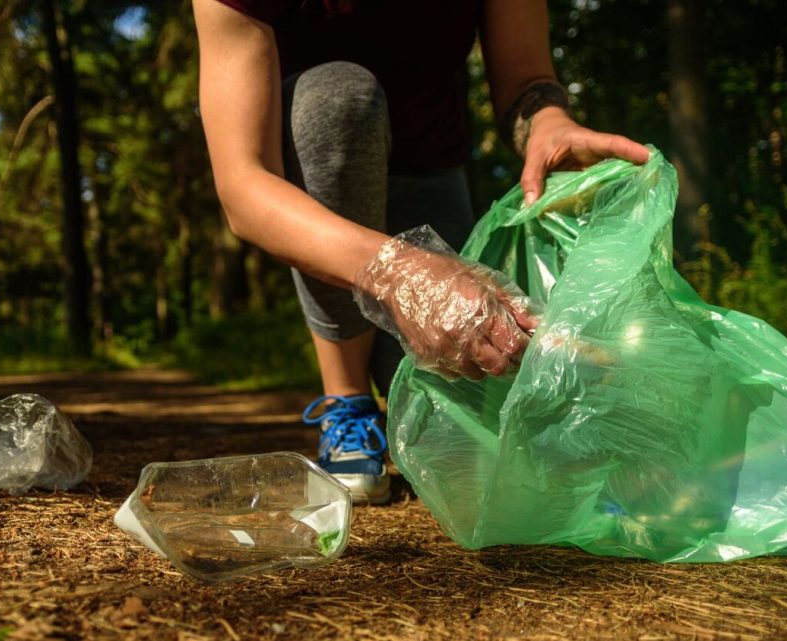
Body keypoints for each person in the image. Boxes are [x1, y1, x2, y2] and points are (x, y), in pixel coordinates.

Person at [192, 0, 649, 504]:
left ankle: (400, 394)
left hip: (431, 170)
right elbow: (243, 185)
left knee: (465, 423)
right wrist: (401, 274)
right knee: (338, 98)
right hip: (318, 183)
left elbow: (526, 79)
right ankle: (347, 399)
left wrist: (548, 121)